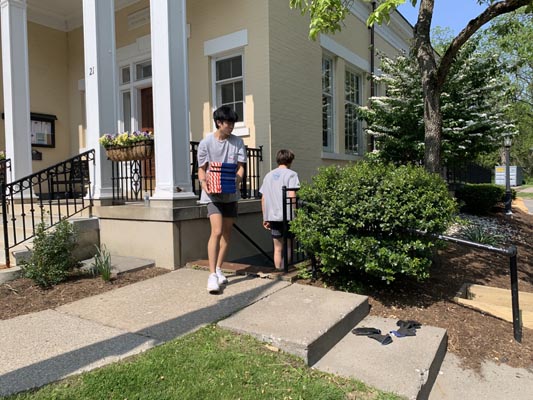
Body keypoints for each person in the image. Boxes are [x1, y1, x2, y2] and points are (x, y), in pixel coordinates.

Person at [198, 106, 247, 294]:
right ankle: (212, 275)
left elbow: (241, 167)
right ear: (219, 123)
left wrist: (237, 180)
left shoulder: (238, 142)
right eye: (229, 123)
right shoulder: (206, 143)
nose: (232, 126)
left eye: (233, 123)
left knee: (227, 233)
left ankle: (219, 268)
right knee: (216, 231)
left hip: (231, 194)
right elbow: (202, 169)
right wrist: (204, 184)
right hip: (212, 195)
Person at [259, 149, 300, 270]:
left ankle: (278, 270)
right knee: (289, 245)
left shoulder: (268, 175)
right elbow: (292, 195)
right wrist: (296, 215)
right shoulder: (291, 174)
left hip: (272, 215)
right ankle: (284, 269)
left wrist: (265, 217)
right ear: (290, 161)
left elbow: (263, 198)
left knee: (277, 247)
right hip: (288, 215)